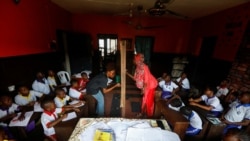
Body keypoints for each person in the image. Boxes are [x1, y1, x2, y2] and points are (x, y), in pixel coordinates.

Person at [126, 53, 157, 118]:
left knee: (147, 100)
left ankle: (147, 115)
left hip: (150, 85)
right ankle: (144, 113)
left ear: (137, 59)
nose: (133, 61)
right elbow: (135, 78)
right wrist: (127, 73)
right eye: (141, 57)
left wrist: (143, 89)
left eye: (134, 59)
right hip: (145, 86)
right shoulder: (138, 67)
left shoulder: (144, 67)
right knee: (145, 100)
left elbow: (146, 80)